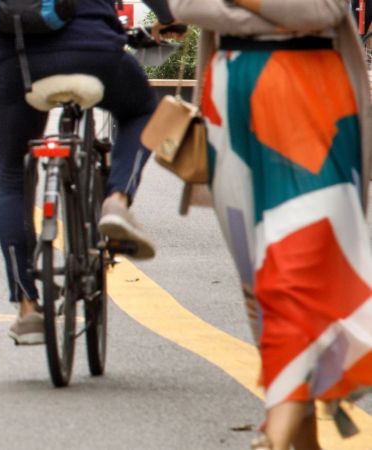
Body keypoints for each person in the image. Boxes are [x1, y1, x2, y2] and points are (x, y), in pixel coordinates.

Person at [158, 0, 372, 448]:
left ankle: (278, 429)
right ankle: (301, 434)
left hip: (312, 95)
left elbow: (318, 12)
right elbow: (185, 5)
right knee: (256, 280)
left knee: (296, 268)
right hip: (229, 103)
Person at [0, 0, 175, 344]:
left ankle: (27, 306)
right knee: (143, 110)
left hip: (15, 56)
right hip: (94, 49)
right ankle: (117, 200)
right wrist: (170, 18)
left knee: (11, 176)